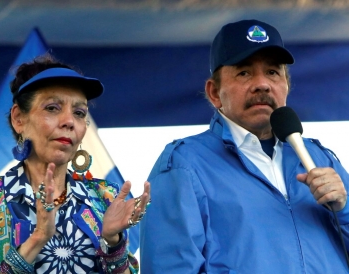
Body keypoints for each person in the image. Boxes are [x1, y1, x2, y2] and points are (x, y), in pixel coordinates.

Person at [140, 19, 349, 273]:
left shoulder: (320, 158)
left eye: (273, 72)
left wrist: (345, 209)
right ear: (215, 93)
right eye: (244, 72)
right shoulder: (184, 165)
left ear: (286, 85)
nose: (262, 84)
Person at [0, 53, 150, 274]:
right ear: (19, 118)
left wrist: (113, 241)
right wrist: (38, 238)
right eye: (52, 108)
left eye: (79, 113)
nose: (68, 121)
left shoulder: (105, 197)